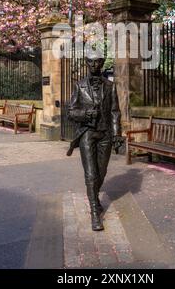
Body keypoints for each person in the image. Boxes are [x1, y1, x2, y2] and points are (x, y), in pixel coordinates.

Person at [67, 56, 122, 231]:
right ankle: (94, 214)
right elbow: (71, 112)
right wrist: (85, 114)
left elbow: (115, 112)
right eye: (90, 62)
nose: (94, 65)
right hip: (87, 134)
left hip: (105, 134)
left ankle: (94, 198)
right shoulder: (79, 85)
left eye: (98, 62)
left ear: (102, 63)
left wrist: (116, 134)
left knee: (101, 172)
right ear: (87, 63)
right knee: (91, 174)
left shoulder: (110, 86)